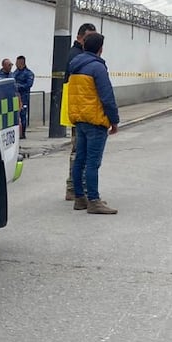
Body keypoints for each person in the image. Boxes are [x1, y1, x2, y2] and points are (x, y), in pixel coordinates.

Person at [66, 32, 119, 214]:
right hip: (95, 120)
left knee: (80, 159)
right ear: (100, 49)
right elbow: (107, 97)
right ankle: (94, 200)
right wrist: (114, 120)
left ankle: (80, 198)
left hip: (79, 119)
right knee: (92, 162)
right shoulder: (97, 68)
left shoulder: (74, 66)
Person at [65, 23, 98, 201]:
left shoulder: (78, 56)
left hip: (77, 110)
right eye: (88, 38)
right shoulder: (77, 57)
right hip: (80, 111)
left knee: (79, 152)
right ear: (80, 38)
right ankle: (76, 189)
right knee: (79, 152)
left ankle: (77, 190)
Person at [14, 55, 35, 138]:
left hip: (23, 97)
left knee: (23, 115)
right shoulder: (15, 73)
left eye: (17, 62)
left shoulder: (29, 73)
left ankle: (22, 134)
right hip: (15, 97)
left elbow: (28, 85)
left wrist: (17, 86)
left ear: (21, 63)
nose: (16, 64)